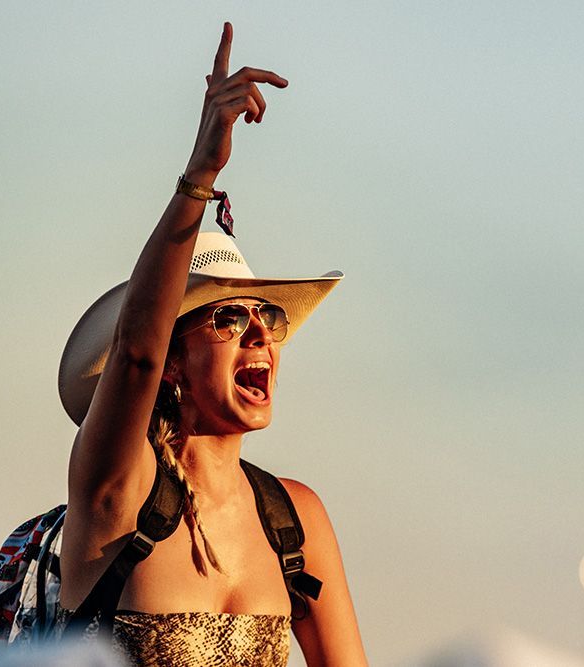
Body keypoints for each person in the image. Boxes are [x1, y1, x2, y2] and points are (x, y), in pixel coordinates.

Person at [54, 22, 367, 666]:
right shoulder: (117, 488)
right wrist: (201, 173)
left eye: (267, 319)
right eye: (226, 319)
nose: (260, 333)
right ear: (171, 360)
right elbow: (134, 349)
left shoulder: (294, 519)